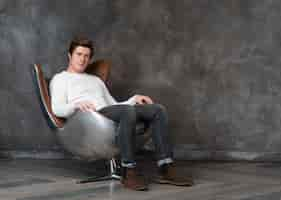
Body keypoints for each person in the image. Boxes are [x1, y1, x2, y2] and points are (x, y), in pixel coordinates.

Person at [50, 36, 193, 191]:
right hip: (91, 118)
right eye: (79, 54)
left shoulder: (95, 80)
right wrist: (75, 105)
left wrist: (134, 99)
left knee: (158, 110)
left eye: (86, 56)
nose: (82, 59)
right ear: (70, 55)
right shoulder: (60, 79)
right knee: (127, 111)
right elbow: (57, 109)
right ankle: (128, 171)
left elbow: (113, 104)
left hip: (110, 111)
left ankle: (166, 167)